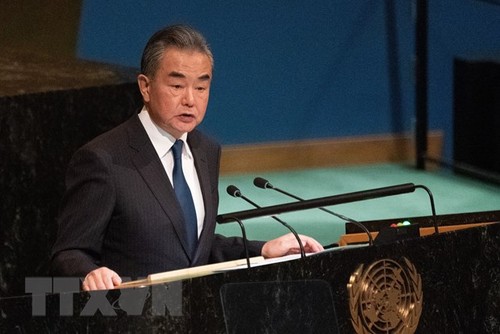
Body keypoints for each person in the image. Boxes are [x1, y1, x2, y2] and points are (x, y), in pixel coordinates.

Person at [50, 24, 323, 291]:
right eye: (177, 86)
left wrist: (262, 249)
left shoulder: (207, 149)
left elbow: (190, 244)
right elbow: (70, 252)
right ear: (145, 87)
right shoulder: (103, 159)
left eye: (201, 88)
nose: (190, 100)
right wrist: (89, 273)